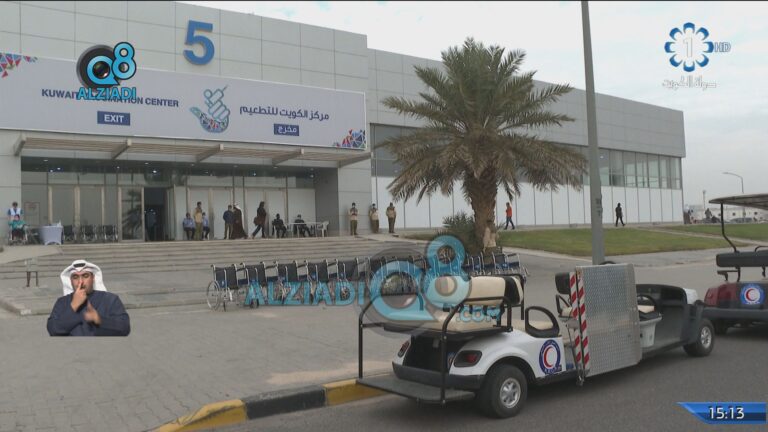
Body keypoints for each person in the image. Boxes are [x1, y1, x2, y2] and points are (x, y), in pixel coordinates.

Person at [47, 260, 130, 336]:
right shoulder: (62, 302)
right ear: (70, 281)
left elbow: (125, 328)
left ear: (93, 278)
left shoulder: (110, 299)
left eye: (85, 276)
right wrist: (73, 306)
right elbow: (53, 330)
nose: (80, 282)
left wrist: (99, 320)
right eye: (75, 277)